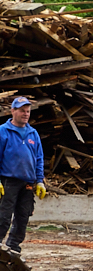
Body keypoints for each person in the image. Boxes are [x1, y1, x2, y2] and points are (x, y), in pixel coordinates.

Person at [0, 96, 46, 255]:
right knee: (3, 217)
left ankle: (13, 248)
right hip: (8, 181)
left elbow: (39, 158)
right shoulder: (3, 131)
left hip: (27, 183)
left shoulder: (33, 133)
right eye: (22, 111)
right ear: (13, 111)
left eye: (27, 111)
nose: (25, 114)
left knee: (23, 216)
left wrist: (39, 181)